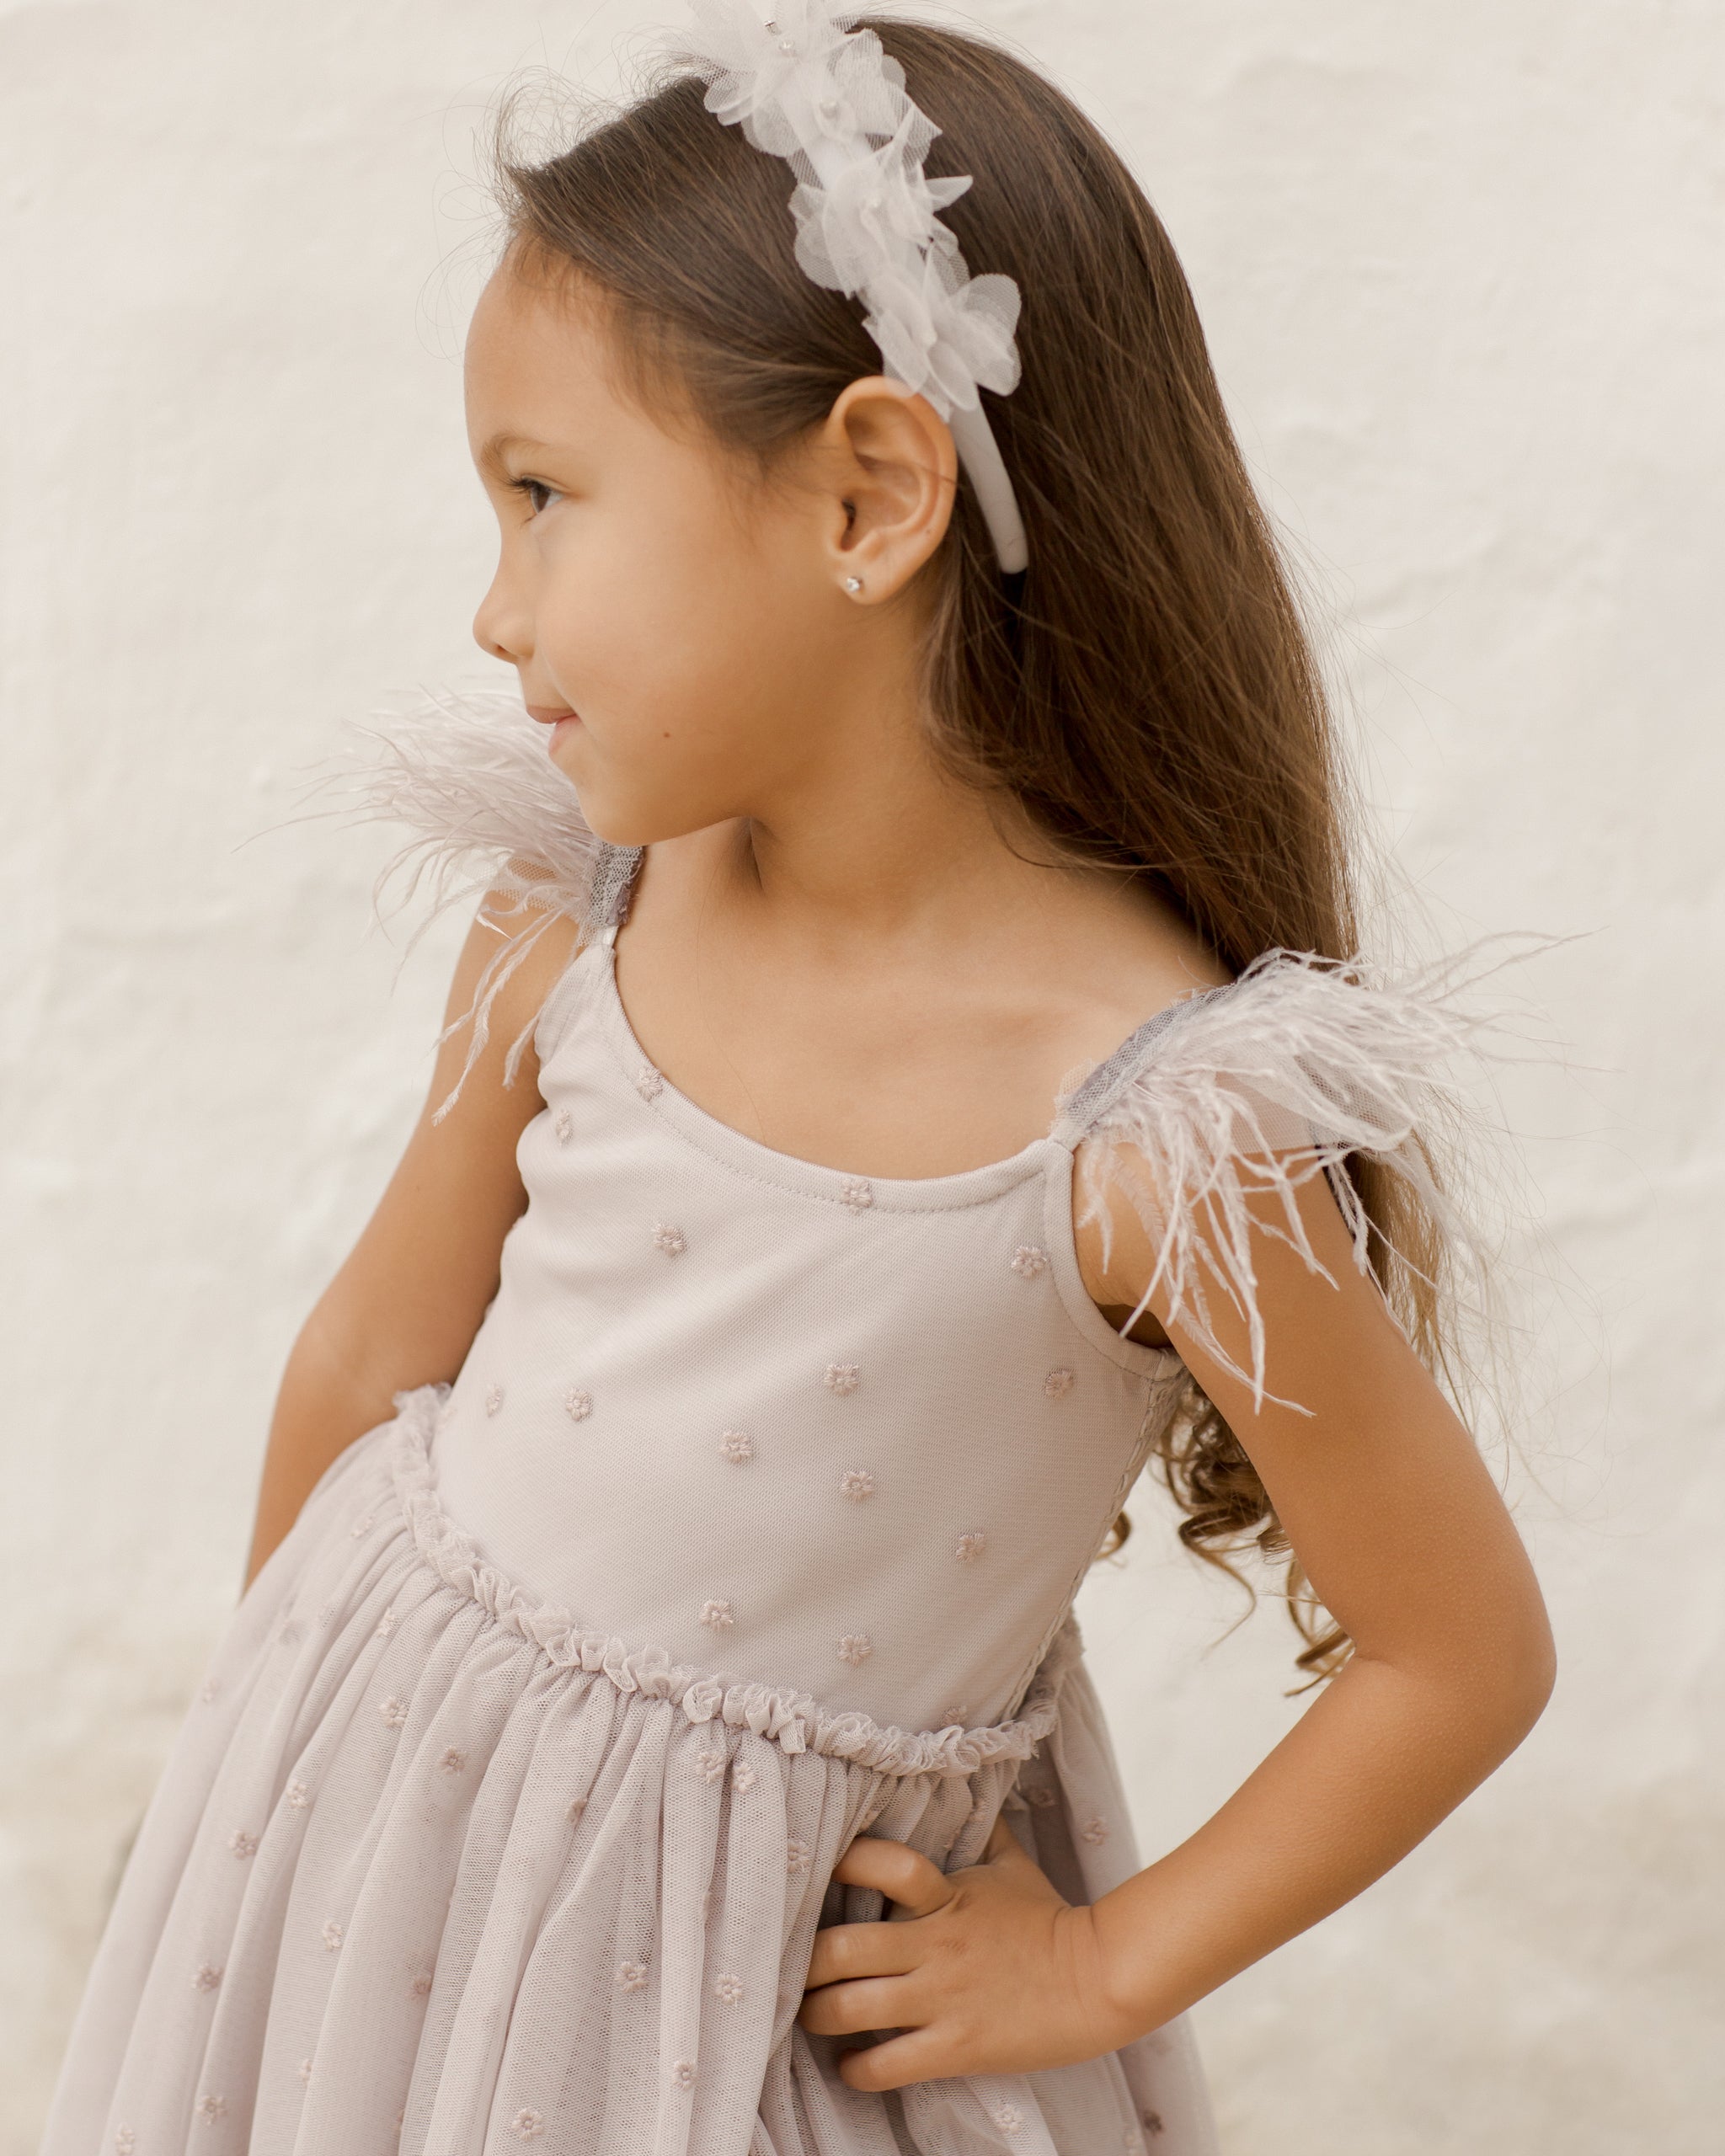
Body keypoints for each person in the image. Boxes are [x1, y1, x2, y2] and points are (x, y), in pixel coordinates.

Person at [41, 6, 1556, 2152]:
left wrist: (1103, 1963)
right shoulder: (581, 911)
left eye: (547, 498)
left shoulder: (1136, 1134)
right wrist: (252, 1784)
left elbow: (1455, 1650)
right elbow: (375, 1346)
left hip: (719, 2003)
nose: (496, 609)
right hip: (371, 1850)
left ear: (869, 491)